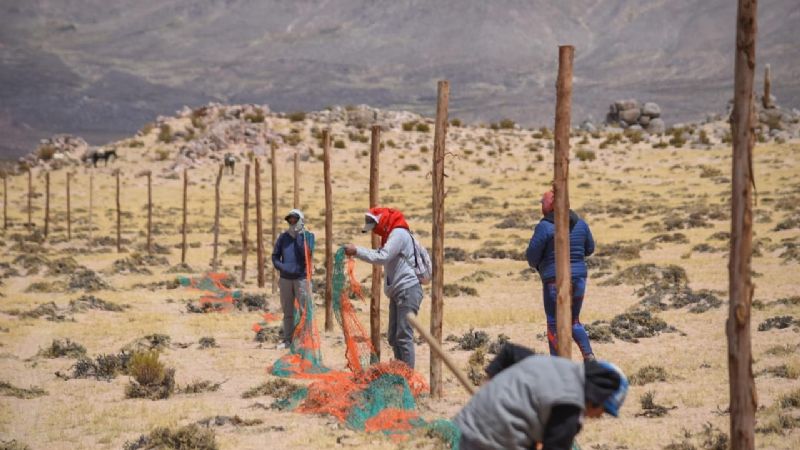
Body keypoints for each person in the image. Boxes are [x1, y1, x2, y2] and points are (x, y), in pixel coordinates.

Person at [454, 342, 628, 450]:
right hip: (494, 440)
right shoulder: (570, 404)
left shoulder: (554, 365)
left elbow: (509, 351)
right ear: (597, 398)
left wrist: (486, 388)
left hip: (466, 423)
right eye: (604, 410)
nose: (598, 417)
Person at [345, 207, 423, 368]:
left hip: (407, 290)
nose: (374, 232)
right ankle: (401, 372)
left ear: (381, 221)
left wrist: (357, 251)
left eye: (374, 227)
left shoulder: (398, 235)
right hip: (398, 292)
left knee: (403, 335)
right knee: (394, 337)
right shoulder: (389, 236)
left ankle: (407, 377)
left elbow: (382, 257)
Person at [526, 191, 596, 360]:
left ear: (549, 205)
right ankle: (588, 355)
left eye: (542, 202)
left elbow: (532, 256)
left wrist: (541, 265)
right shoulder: (581, 224)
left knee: (553, 322)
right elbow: (590, 249)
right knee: (573, 320)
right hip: (579, 277)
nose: (541, 205)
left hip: (553, 280)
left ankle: (558, 364)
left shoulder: (545, 226)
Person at [272, 209, 315, 350]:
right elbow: (275, 256)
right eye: (290, 220)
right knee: (287, 312)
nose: (292, 222)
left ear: (301, 221)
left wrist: (299, 236)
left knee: (304, 311)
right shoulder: (283, 237)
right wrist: (282, 267)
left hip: (302, 279)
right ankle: (288, 340)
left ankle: (304, 341)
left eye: (295, 220)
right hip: (285, 279)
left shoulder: (308, 237)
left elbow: (305, 255)